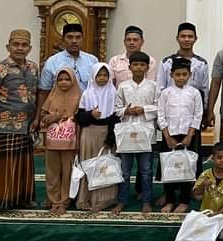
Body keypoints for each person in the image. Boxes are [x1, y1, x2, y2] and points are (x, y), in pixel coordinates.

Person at [0, 29, 39, 219]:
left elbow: (36, 95)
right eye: (16, 44)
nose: (20, 48)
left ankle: (20, 199)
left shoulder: (33, 68)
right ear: (8, 46)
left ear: (30, 48)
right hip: (3, 126)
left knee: (23, 165)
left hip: (26, 126)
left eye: (24, 45)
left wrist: (36, 120)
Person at [112, 51, 158, 215]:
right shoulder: (123, 86)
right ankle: (122, 200)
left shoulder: (153, 86)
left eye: (142, 65)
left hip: (146, 132)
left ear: (147, 67)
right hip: (126, 133)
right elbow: (116, 109)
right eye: (135, 64)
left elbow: (159, 107)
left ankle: (146, 201)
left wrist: (143, 109)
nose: (138, 67)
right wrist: (127, 110)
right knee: (124, 171)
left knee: (146, 170)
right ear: (130, 67)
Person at [158, 57, 203, 214]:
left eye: (184, 74)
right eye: (178, 74)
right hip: (169, 135)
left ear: (190, 75)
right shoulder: (165, 93)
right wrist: (167, 136)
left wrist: (190, 135)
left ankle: (184, 201)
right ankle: (170, 200)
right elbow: (161, 115)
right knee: (169, 167)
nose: (181, 77)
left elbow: (197, 115)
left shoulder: (195, 93)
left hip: (188, 135)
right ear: (171, 75)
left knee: (186, 168)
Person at [75, 63, 119, 212]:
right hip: (89, 133)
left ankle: (105, 199)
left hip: (106, 133)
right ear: (93, 76)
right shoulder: (86, 94)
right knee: (89, 165)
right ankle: (86, 199)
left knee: (105, 167)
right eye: (99, 75)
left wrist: (110, 137)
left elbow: (115, 117)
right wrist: (91, 114)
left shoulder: (113, 93)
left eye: (105, 75)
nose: (102, 78)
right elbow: (80, 118)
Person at [40, 67, 81, 215]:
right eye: (60, 79)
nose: (64, 82)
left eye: (67, 79)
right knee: (52, 173)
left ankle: (64, 201)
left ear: (73, 80)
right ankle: (53, 200)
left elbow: (82, 119)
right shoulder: (52, 96)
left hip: (70, 142)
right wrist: (51, 118)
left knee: (67, 172)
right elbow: (43, 117)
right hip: (53, 141)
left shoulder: (79, 96)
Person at [192, 142, 223, 241]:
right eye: (219, 157)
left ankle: (220, 230)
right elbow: (196, 195)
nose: (222, 160)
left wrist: (219, 213)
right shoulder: (206, 174)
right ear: (213, 158)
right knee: (194, 230)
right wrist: (203, 185)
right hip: (206, 215)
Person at [157, 22, 209, 108]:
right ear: (177, 38)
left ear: (195, 39)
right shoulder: (166, 62)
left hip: (193, 109)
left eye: (190, 36)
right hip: (170, 109)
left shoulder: (201, 63)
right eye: (183, 36)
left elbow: (204, 89)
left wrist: (205, 109)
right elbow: (160, 89)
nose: (186, 39)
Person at [39, 23, 99, 98]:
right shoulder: (52, 62)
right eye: (70, 37)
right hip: (60, 104)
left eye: (78, 37)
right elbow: (44, 92)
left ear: (82, 39)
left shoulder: (92, 60)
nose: (74, 41)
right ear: (63, 40)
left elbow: (99, 88)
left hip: (88, 104)